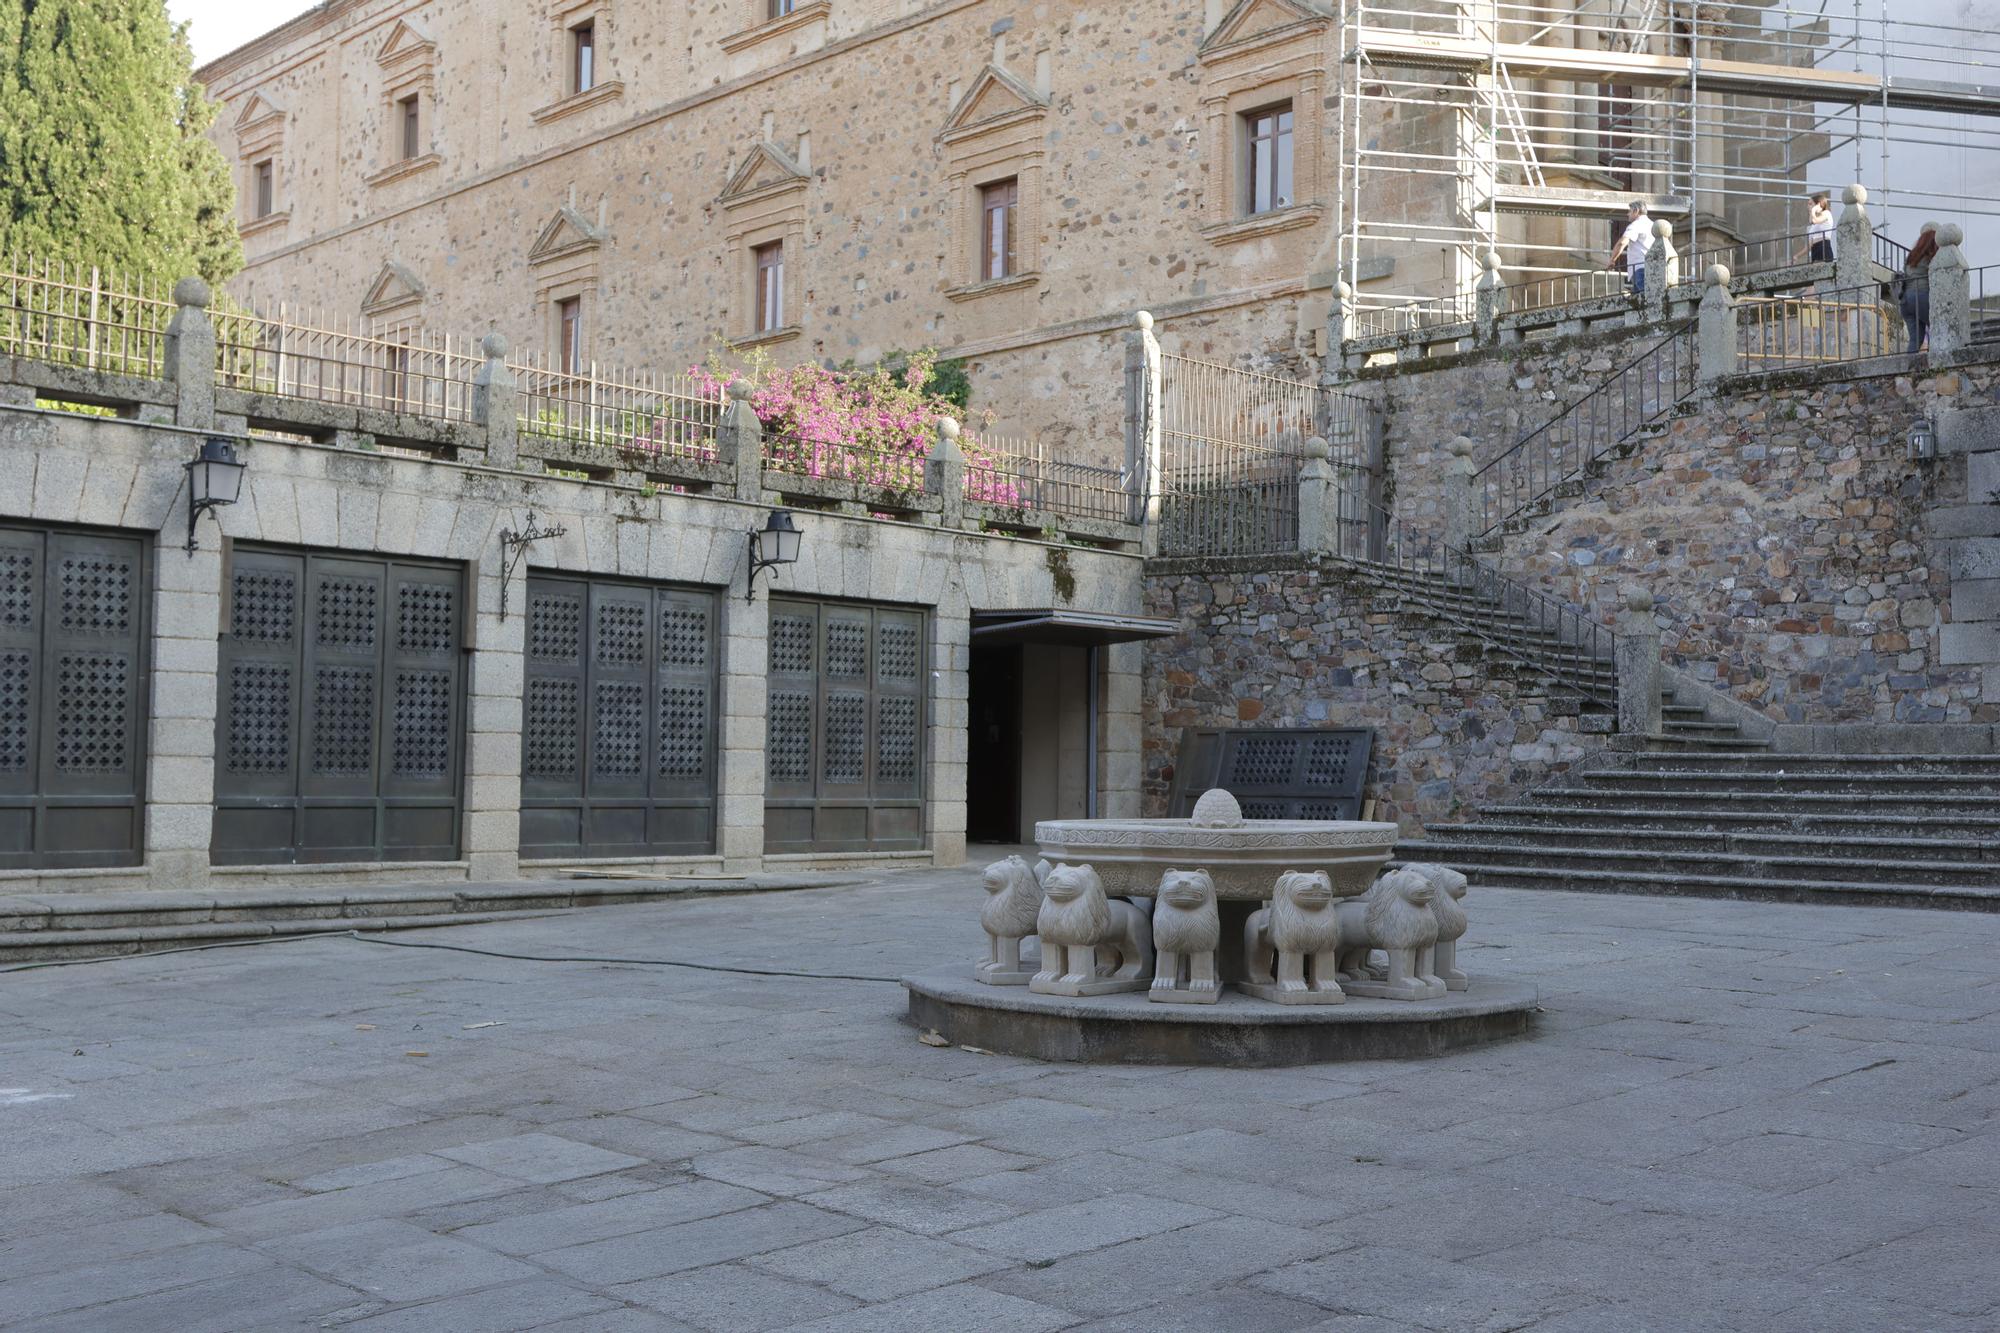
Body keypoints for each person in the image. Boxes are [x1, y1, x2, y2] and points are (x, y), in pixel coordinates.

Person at [1900, 222, 1939, 355]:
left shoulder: (1912, 256)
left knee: (1915, 340)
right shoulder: (1933, 254)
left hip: (1905, 300)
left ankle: (1908, 371)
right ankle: (1937, 364)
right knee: (1938, 328)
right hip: (1922, 296)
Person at [1609, 200, 1653, 297]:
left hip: (1640, 268)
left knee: (1644, 300)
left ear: (1636, 211)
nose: (1627, 214)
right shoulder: (1653, 225)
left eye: (1629, 211)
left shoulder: (1636, 225)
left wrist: (1612, 260)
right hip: (1653, 267)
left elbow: (1622, 242)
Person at [1798, 191, 1834, 263]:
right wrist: (1797, 256)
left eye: (1810, 204)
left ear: (1818, 204)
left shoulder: (1826, 213)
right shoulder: (1814, 227)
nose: (1808, 206)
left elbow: (1814, 220)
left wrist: (1813, 210)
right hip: (1815, 249)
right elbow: (1810, 245)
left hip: (1823, 247)